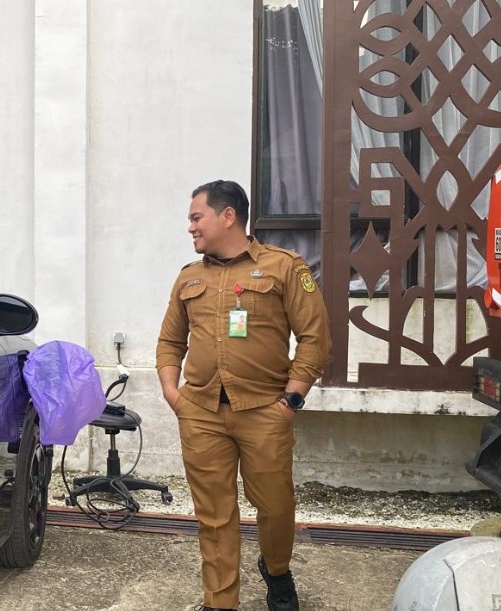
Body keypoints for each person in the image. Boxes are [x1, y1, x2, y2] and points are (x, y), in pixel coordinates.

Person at [156, 180, 331, 611]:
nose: (190, 227)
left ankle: (277, 570)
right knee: (214, 515)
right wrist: (173, 394)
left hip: (265, 410)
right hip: (200, 412)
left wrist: (291, 401)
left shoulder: (283, 267)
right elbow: (170, 341)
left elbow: (315, 338)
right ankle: (220, 602)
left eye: (197, 217)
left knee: (275, 505)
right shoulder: (189, 277)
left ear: (227, 216)